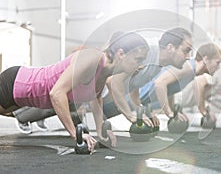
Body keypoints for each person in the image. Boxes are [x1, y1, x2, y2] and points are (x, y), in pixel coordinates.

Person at [0, 31, 149, 152]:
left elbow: (96, 98)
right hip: (16, 83)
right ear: (121, 54)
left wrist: (100, 132)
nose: (141, 66)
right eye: (138, 59)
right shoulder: (92, 57)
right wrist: (75, 135)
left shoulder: (106, 71)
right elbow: (56, 93)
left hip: (24, 98)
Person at [103, 27, 193, 126]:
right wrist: (130, 116)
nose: (188, 57)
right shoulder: (144, 50)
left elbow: (134, 83)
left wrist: (141, 110)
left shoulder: (157, 63)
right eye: (186, 51)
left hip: (108, 105)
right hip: (98, 99)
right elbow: (113, 82)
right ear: (170, 47)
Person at [138, 43, 221, 121]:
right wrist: (169, 113)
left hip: (143, 102)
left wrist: (174, 113)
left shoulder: (191, 71)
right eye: (217, 63)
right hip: (135, 99)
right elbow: (159, 83)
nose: (218, 67)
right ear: (206, 59)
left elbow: (169, 90)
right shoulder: (188, 67)